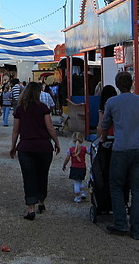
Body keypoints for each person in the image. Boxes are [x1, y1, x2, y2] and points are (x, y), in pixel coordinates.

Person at [99, 71, 139, 240]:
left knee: (116, 185)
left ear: (117, 85)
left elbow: (105, 124)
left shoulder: (112, 102)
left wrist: (103, 139)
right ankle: (137, 229)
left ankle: (120, 223)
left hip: (121, 148)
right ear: (132, 83)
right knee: (137, 191)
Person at [9, 81, 60, 221]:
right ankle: (41, 201)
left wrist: (13, 146)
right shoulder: (43, 108)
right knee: (42, 174)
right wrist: (56, 142)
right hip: (44, 146)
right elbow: (50, 127)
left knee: (29, 176)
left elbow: (15, 131)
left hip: (26, 147)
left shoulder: (20, 109)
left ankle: (30, 208)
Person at [62, 131, 88, 202]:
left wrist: (64, 165)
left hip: (74, 168)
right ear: (82, 139)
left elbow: (67, 159)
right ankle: (82, 193)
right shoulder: (85, 148)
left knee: (76, 183)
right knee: (80, 181)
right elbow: (91, 152)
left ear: (73, 140)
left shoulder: (70, 150)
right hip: (82, 168)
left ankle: (78, 197)